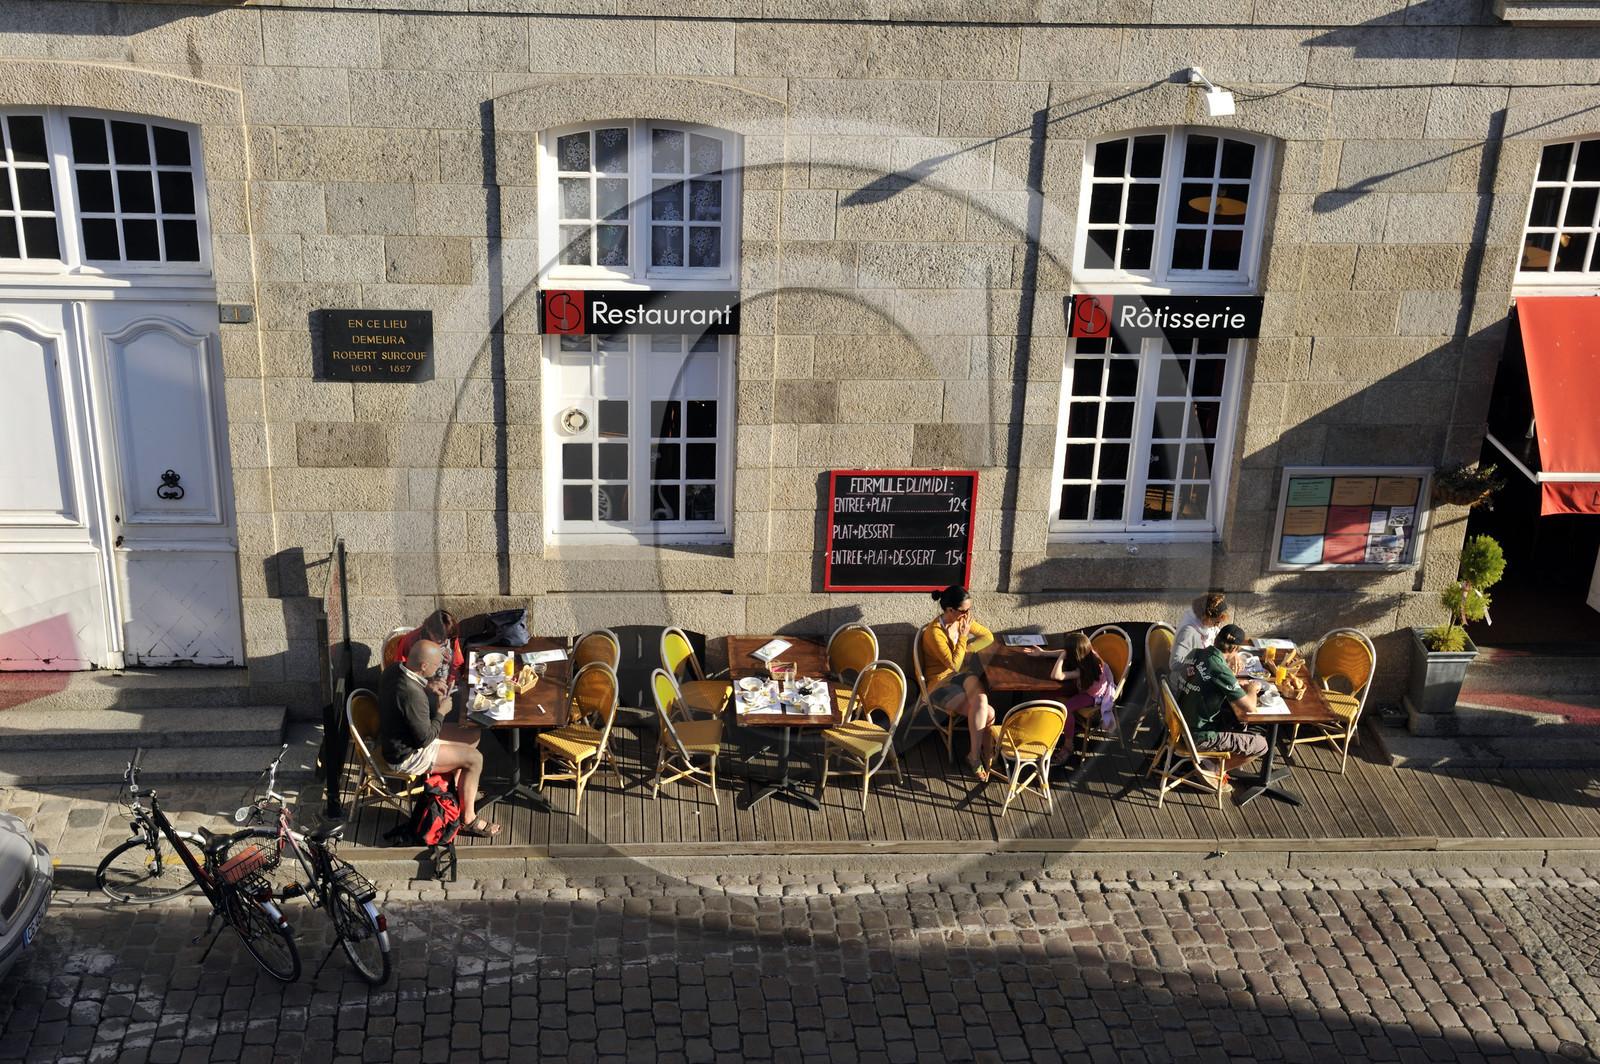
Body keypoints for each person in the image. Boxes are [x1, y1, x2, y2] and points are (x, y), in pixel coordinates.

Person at [377, 638, 500, 838]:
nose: (441, 666)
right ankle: (468, 819)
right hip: (407, 754)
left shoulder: (394, 669)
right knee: (476, 759)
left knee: (472, 735)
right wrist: (441, 712)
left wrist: (427, 687)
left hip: (403, 737)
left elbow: (408, 701)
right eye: (438, 664)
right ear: (424, 665)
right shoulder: (412, 695)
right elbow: (425, 739)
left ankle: (461, 793)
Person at [918, 585, 997, 781]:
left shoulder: (963, 620)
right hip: (940, 683)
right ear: (950, 610)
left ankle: (977, 756)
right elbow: (953, 664)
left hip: (959, 675)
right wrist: (963, 637)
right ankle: (982, 757)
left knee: (981, 699)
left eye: (969, 609)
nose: (968, 615)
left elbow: (987, 636)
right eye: (963, 611)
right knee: (989, 713)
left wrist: (967, 649)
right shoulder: (934, 632)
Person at [1172, 623, 1268, 775]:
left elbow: (1207, 680)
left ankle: (1215, 760)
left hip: (1178, 728)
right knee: (1261, 745)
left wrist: (1234, 683)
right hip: (1200, 737)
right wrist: (1251, 689)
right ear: (1235, 649)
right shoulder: (1221, 671)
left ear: (1216, 639)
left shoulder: (1195, 653)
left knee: (1233, 718)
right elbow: (1249, 707)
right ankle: (1212, 768)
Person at [1022, 632, 1117, 766]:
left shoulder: (1085, 668)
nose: (1064, 651)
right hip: (1080, 685)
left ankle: (1068, 745)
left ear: (1074, 654)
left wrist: (1061, 657)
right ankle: (1042, 728)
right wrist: (1043, 653)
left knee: (1066, 708)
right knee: (1045, 694)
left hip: (1091, 695)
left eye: (1067, 651)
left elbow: (1057, 676)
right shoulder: (1087, 653)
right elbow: (1066, 652)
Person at [397, 609, 465, 688]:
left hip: (447, 683)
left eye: (448, 638)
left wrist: (452, 682)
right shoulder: (409, 641)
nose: (446, 642)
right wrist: (427, 686)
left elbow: (457, 663)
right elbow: (402, 674)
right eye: (440, 638)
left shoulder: (448, 635)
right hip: (421, 687)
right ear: (428, 629)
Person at [1172, 591, 1230, 670]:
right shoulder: (1188, 633)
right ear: (1205, 617)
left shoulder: (1204, 623)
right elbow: (1175, 663)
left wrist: (1233, 654)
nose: (1218, 626)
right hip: (1185, 678)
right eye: (1216, 622)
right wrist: (1206, 662)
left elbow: (1220, 638)